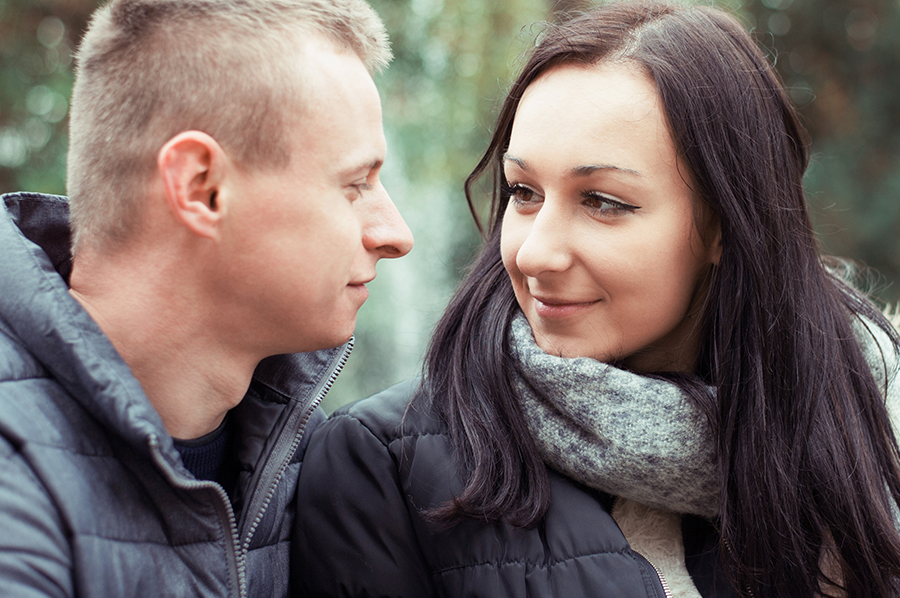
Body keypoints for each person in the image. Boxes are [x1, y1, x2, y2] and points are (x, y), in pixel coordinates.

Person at [291, 2, 900, 597]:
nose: (534, 255)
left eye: (603, 201)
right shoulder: (384, 466)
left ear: (723, 225)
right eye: (523, 192)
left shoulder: (870, 420)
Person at [0, 0, 413, 596]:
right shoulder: (15, 489)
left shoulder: (310, 462)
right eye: (355, 185)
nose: (395, 234)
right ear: (201, 188)